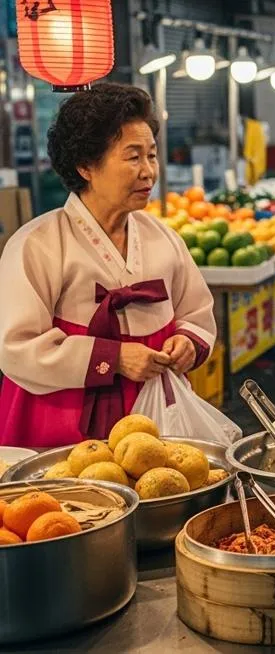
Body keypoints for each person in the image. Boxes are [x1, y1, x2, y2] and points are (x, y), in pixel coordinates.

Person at [0, 83, 216, 447]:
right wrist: (112, 358)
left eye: (151, 155)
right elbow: (17, 348)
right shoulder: (37, 245)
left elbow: (196, 311)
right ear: (86, 165)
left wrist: (187, 343)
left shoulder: (162, 238)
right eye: (133, 157)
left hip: (156, 420)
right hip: (64, 419)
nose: (149, 171)